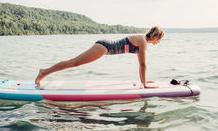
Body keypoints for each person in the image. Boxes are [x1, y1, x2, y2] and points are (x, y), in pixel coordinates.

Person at [35, 26, 164, 89]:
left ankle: (44, 72)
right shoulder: (142, 41)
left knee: (74, 63)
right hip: (104, 47)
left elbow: (141, 65)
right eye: (159, 40)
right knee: (74, 63)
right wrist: (145, 85)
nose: (159, 43)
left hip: (104, 48)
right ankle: (44, 72)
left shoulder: (142, 40)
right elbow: (142, 65)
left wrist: (144, 81)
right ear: (155, 37)